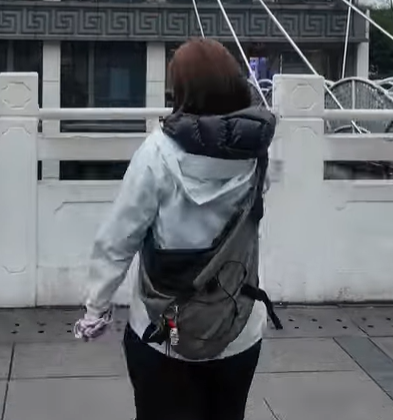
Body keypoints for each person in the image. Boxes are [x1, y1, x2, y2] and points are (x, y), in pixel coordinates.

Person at [73, 38, 281, 420]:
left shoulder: (159, 151)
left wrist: (96, 309)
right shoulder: (258, 150)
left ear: (182, 91)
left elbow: (119, 239)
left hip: (170, 327)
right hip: (238, 324)